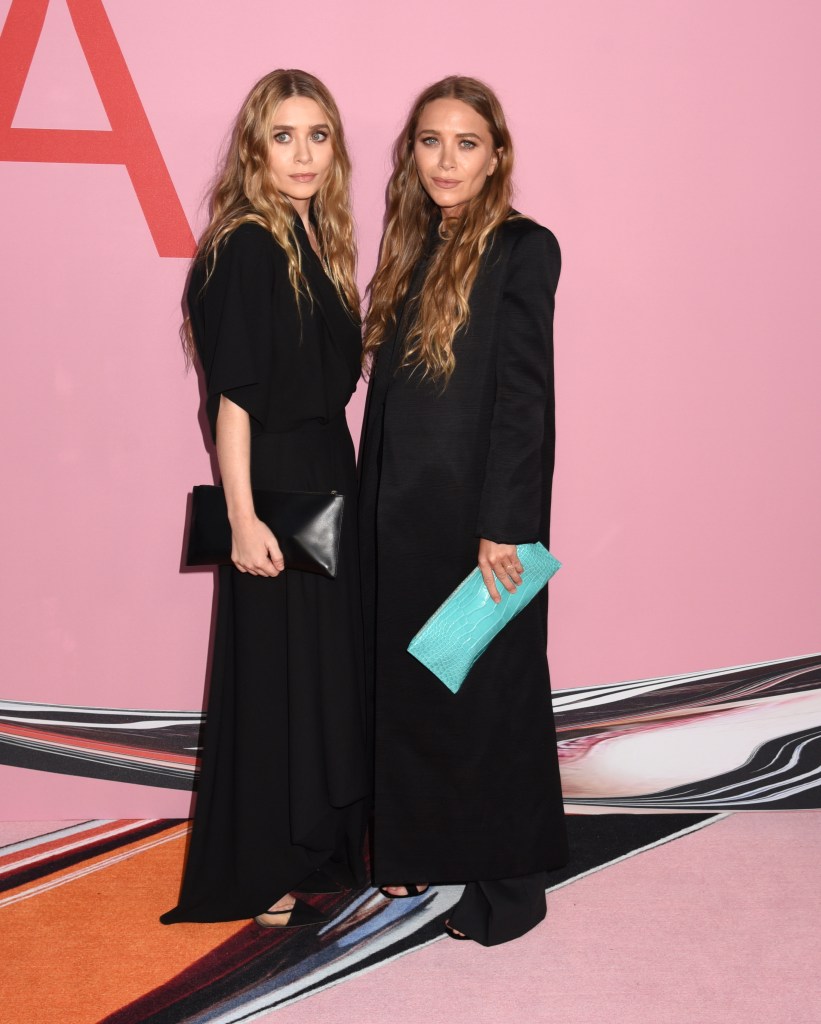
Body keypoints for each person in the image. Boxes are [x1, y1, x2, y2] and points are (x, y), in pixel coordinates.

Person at [358, 76, 568, 946]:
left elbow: (525, 397)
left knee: (489, 700)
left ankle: (510, 894)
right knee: (410, 693)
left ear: (495, 157)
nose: (446, 160)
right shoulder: (409, 245)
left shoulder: (524, 247)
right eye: (430, 141)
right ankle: (418, 849)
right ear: (412, 153)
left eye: (466, 142)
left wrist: (506, 522)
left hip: (476, 522)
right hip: (395, 510)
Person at [161, 70, 368, 929]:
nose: (303, 153)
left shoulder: (306, 237)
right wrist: (242, 517)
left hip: (326, 476)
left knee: (316, 677)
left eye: (317, 135)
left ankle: (312, 845)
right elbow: (233, 398)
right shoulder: (248, 243)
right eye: (283, 135)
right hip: (277, 490)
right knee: (274, 682)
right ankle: (254, 869)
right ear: (254, 145)